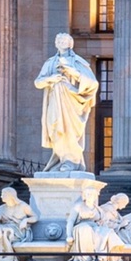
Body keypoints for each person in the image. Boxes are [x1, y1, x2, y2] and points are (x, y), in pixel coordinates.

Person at [34, 32, 99, 172]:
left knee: (69, 131)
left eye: (64, 41)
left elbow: (93, 83)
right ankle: (61, 161)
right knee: (55, 129)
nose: (62, 43)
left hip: (72, 101)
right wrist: (51, 79)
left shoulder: (78, 62)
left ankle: (70, 161)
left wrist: (74, 73)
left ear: (71, 44)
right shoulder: (50, 62)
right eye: (59, 41)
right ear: (56, 44)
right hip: (55, 101)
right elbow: (38, 83)